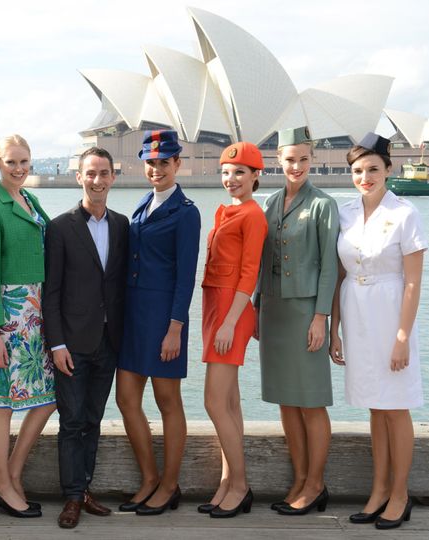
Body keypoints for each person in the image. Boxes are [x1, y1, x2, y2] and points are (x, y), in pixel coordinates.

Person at [330, 133, 427, 530]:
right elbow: (338, 275)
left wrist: (402, 335)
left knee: (395, 405)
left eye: (373, 169)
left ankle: (400, 494)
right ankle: (378, 489)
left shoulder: (405, 213)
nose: (365, 177)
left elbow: (412, 282)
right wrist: (334, 328)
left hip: (390, 313)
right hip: (356, 311)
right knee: (374, 404)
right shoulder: (346, 213)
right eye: (357, 170)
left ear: (389, 169)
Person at [42, 147, 129, 529]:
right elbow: (52, 291)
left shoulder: (123, 225)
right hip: (73, 344)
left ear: (113, 177)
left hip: (109, 342)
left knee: (93, 419)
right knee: (72, 421)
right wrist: (56, 344)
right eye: (90, 173)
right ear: (79, 176)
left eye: (104, 173)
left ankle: (85, 489)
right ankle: (72, 497)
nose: (97, 180)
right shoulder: (60, 227)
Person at [116, 130, 201, 516]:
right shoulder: (140, 205)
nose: (156, 169)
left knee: (168, 401)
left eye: (164, 162)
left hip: (164, 320)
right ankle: (149, 478)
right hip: (133, 318)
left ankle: (169, 485)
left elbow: (186, 277)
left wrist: (175, 328)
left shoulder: (187, 212)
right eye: (151, 162)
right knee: (126, 399)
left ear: (177, 163)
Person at [256, 126, 339, 515]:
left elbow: (329, 268)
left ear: (312, 160)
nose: (297, 166)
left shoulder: (323, 205)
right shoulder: (269, 203)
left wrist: (321, 317)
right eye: (290, 159)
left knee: (312, 402)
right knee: (286, 402)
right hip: (273, 311)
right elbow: (258, 263)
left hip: (306, 312)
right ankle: (300, 478)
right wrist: (256, 309)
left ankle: (316, 483)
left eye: (304, 159)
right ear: (278, 160)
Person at [0, 134, 55, 518]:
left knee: (48, 398)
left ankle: (12, 475)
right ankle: (2, 483)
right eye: (11, 162)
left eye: (24, 162)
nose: (19, 168)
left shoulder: (30, 200)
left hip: (35, 314)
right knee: (3, 402)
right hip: (9, 316)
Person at [199, 143, 268, 518]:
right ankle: (227, 480)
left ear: (256, 176)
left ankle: (240, 485)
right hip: (216, 308)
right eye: (226, 172)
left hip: (231, 312)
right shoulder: (225, 211)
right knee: (230, 403)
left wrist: (228, 322)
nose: (232, 179)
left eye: (240, 172)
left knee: (213, 401)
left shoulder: (253, 216)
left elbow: (249, 273)